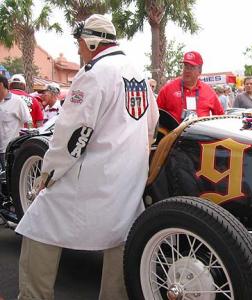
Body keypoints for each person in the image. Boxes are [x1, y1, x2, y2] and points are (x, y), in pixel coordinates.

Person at [15, 14, 159, 300]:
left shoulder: (93, 73)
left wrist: (48, 174)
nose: (78, 49)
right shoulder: (138, 73)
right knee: (121, 236)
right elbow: (152, 122)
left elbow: (73, 136)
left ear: (92, 42)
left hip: (94, 175)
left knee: (38, 222)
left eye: (80, 43)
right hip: (128, 176)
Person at [157, 51, 223, 123]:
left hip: (199, 133)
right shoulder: (168, 89)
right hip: (174, 133)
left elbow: (221, 118)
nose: (187, 70)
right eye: (185, 66)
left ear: (200, 70)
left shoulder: (209, 92)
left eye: (191, 67)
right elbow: (155, 116)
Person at [0, 75, 32, 168]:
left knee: (7, 178)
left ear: (1, 85)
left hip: (9, 150)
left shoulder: (17, 101)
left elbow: (29, 121)